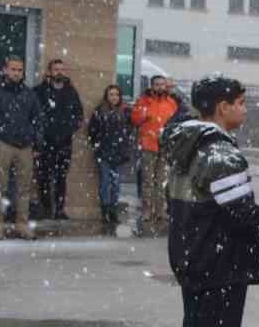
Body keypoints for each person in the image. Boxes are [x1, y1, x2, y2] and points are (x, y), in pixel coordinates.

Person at [164, 74, 259, 327]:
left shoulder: (187, 144)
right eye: (240, 102)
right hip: (219, 265)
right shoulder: (218, 153)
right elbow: (241, 214)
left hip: (194, 259)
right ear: (221, 107)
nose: (244, 109)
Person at [0, 55, 43, 241]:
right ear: (5, 70)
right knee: (0, 187)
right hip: (2, 144)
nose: (16, 73)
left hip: (25, 146)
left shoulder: (29, 94)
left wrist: (37, 143)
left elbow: (38, 120)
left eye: (19, 70)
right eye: (13, 69)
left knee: (24, 188)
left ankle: (21, 225)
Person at [32, 58, 83, 221]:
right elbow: (33, 115)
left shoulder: (71, 92)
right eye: (56, 69)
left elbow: (78, 115)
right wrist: (42, 131)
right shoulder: (39, 91)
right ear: (49, 72)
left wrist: (69, 128)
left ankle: (60, 210)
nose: (59, 72)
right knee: (43, 177)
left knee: (61, 177)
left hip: (65, 142)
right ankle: (46, 209)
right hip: (44, 142)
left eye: (62, 69)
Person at [131, 76, 178, 235]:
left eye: (162, 85)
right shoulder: (144, 101)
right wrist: (145, 112)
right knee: (147, 180)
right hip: (148, 144)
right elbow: (135, 119)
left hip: (165, 146)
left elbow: (175, 122)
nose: (159, 87)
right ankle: (147, 210)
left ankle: (160, 210)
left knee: (161, 180)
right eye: (156, 84)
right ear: (152, 86)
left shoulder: (171, 102)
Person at [86, 85, 134, 230]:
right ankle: (105, 210)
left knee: (116, 183)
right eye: (111, 94)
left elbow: (129, 130)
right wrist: (98, 144)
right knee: (105, 182)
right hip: (104, 152)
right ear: (106, 96)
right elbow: (92, 130)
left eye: (116, 95)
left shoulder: (125, 112)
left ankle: (113, 209)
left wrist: (123, 145)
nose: (114, 97)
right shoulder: (99, 111)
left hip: (119, 152)